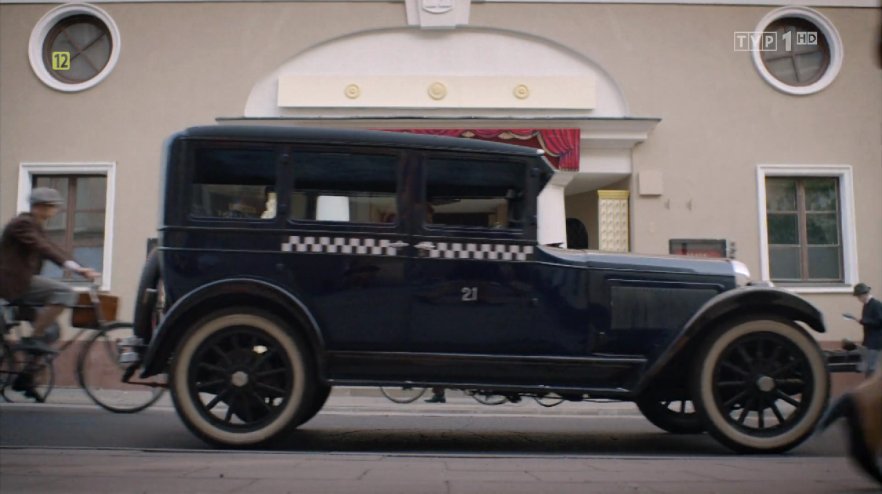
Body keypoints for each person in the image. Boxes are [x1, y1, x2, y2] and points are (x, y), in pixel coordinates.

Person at [0, 187, 100, 355]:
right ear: (41, 207)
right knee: (65, 292)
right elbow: (45, 248)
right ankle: (34, 338)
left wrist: (80, 269)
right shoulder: (22, 224)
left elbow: (55, 249)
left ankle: (27, 372)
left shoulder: (35, 226)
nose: (55, 211)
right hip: (13, 283)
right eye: (53, 206)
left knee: (52, 331)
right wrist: (77, 269)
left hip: (20, 283)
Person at [845, 283, 882, 376]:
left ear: (864, 294)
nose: (858, 299)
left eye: (859, 296)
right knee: (869, 368)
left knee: (871, 369)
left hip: (876, 343)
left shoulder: (876, 304)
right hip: (869, 342)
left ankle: (872, 389)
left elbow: (879, 322)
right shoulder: (867, 305)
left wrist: (861, 320)